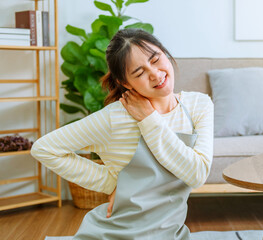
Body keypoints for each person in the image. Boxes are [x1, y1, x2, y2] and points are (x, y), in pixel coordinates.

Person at [31, 28, 214, 240]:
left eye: (155, 60)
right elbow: (44, 149)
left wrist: (149, 119)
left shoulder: (198, 105)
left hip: (169, 233)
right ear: (126, 83)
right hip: (115, 233)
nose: (155, 74)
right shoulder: (114, 117)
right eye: (139, 73)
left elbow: (197, 174)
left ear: (165, 53)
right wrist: (112, 184)